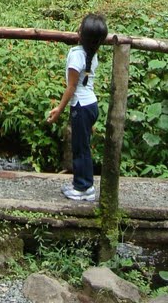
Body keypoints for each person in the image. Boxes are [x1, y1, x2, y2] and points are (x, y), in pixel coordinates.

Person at [47, 13, 108, 202]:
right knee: (83, 146)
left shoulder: (77, 56)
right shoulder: (92, 54)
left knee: (80, 148)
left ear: (82, 34)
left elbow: (72, 87)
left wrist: (59, 108)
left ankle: (84, 188)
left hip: (81, 106)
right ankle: (80, 184)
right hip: (91, 105)